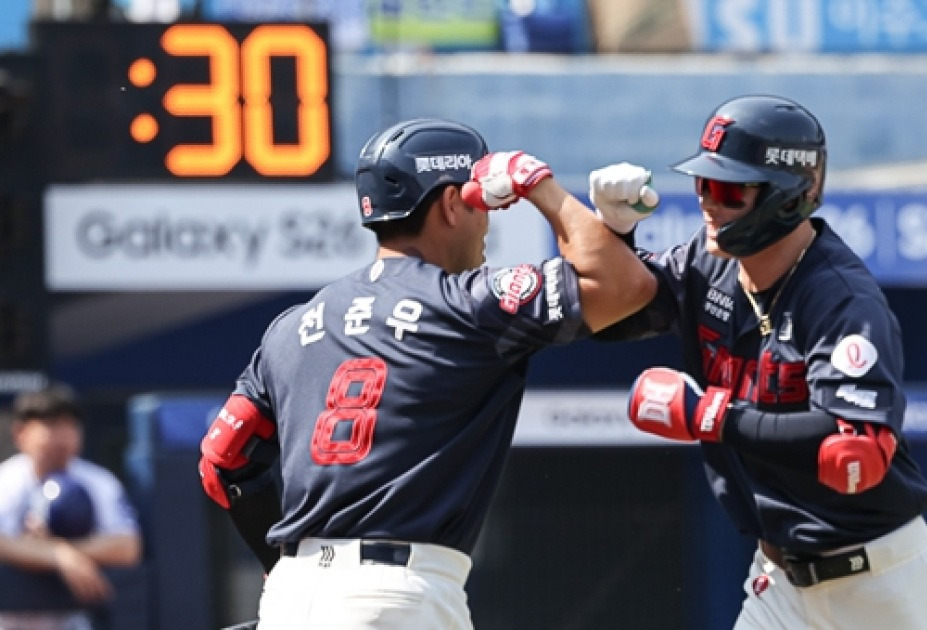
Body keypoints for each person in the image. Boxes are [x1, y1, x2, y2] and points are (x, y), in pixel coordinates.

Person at [196, 117, 658, 629]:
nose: (488, 219)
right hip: (395, 597)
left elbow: (222, 459)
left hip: (291, 595)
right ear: (451, 203)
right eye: (481, 203)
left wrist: (282, 569)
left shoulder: (292, 325)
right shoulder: (465, 304)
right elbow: (626, 287)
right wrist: (542, 188)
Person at [588, 95, 927, 629]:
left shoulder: (840, 297)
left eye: (728, 189)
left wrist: (713, 417)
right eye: (703, 184)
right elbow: (608, 310)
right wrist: (612, 234)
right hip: (780, 587)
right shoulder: (707, 263)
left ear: (793, 193)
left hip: (884, 589)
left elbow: (855, 453)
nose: (709, 202)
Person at [0, 383, 142, 630]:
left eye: (71, 425)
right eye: (53, 425)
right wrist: (59, 555)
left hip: (72, 619)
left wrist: (66, 551)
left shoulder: (98, 481)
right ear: (21, 433)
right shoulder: (7, 480)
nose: (64, 437)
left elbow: (128, 546)